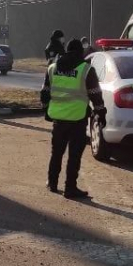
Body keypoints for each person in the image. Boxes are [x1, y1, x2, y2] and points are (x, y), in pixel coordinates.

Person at [40, 38, 105, 200]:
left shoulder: (52, 68)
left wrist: (46, 110)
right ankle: (70, 188)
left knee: (56, 153)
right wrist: (100, 113)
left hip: (58, 119)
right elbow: (95, 94)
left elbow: (45, 92)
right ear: (80, 52)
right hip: (77, 119)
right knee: (74, 156)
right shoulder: (86, 69)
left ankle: (52, 183)